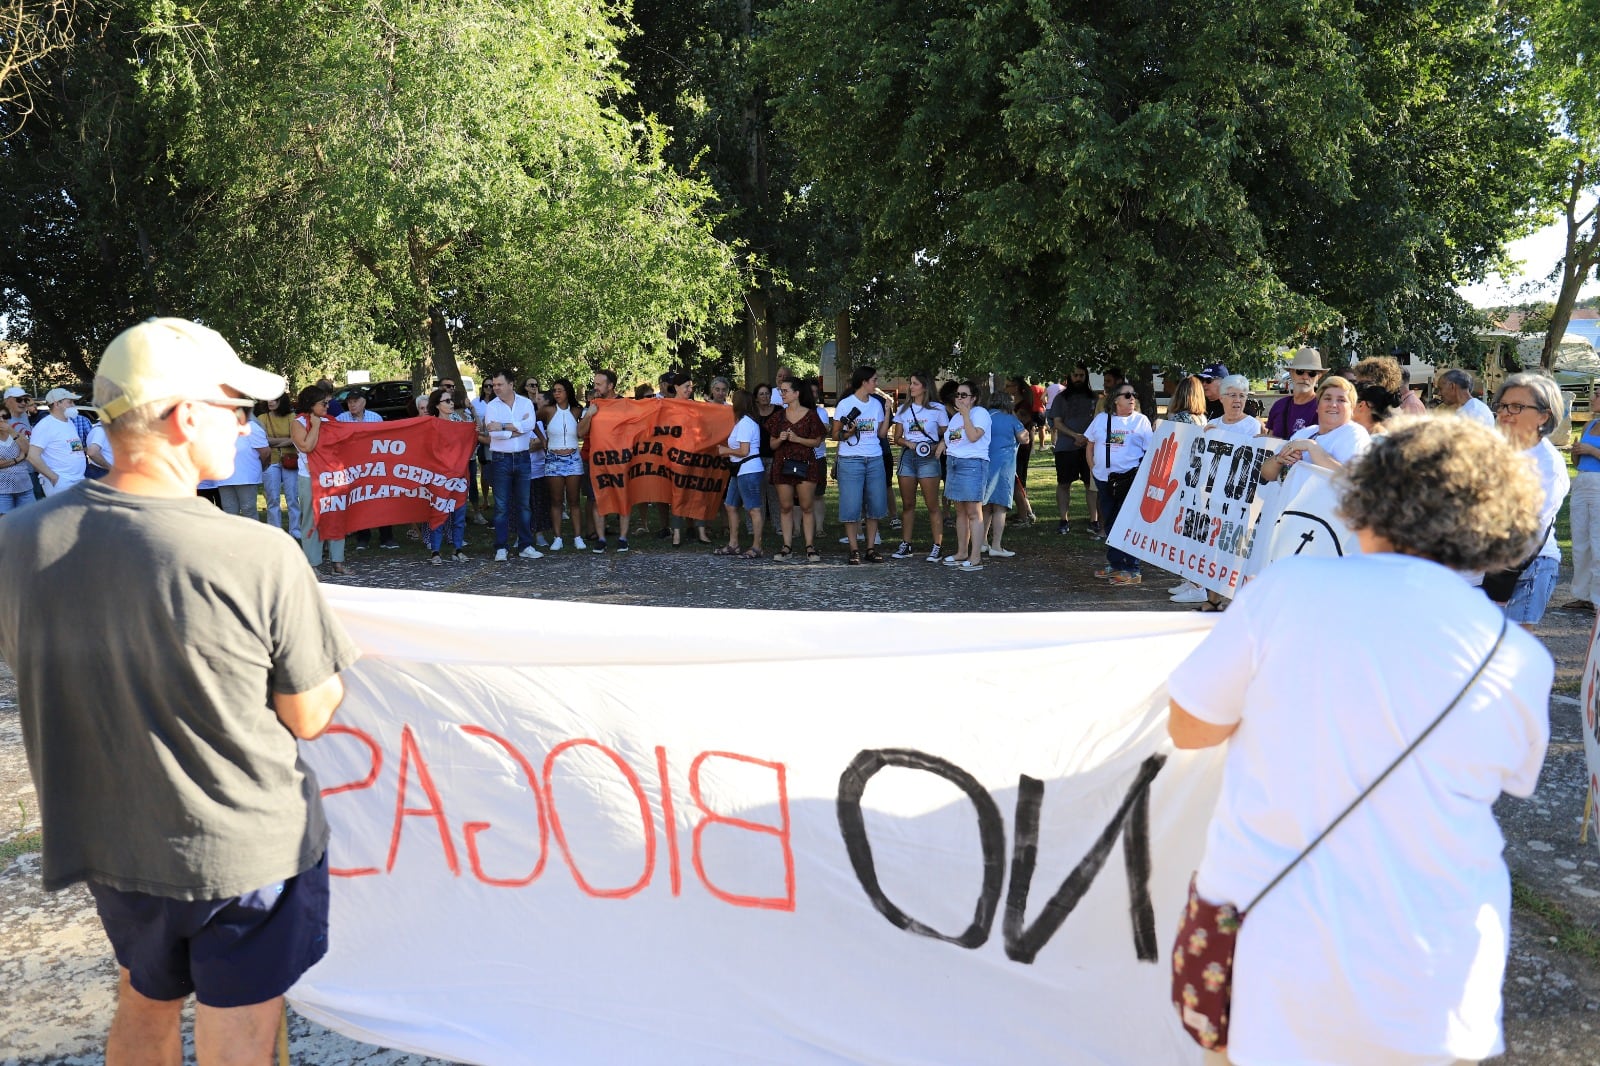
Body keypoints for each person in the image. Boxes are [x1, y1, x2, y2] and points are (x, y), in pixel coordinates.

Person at [0, 317, 357, 1065]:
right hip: (241, 851)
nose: (251, 427)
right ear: (185, 416)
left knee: (144, 997)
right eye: (238, 410)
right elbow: (311, 712)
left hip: (108, 841)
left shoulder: (17, 543)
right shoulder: (258, 551)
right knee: (244, 1027)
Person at [1167, 415, 1552, 1066]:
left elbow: (1190, 727)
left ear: (1365, 498)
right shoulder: (1515, 655)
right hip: (1431, 963)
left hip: (1272, 944)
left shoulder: (1284, 592)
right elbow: (1512, 776)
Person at [1493, 372, 1570, 627]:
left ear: (1543, 416)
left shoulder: (1548, 466)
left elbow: (1525, 532)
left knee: (1509, 653)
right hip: (1485, 564)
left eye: (1517, 407)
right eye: (1503, 405)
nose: (1505, 412)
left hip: (1526, 568)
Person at [1084, 384, 1152, 585]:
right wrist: (1094, 469)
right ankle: (1115, 564)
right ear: (1115, 400)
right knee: (1110, 523)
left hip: (1129, 480)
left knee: (1128, 523)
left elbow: (1149, 452)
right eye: (1127, 395)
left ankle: (1132, 568)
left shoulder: (1140, 421)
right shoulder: (1101, 419)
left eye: (1134, 395)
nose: (1132, 398)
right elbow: (1089, 445)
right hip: (1104, 480)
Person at [1257, 376, 1371, 488]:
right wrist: (1279, 459)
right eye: (1327, 398)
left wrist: (1311, 447)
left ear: (1352, 409)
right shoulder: (1305, 433)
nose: (1333, 404)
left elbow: (1351, 479)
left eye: (1341, 400)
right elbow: (1266, 474)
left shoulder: (1355, 433)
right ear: (1317, 406)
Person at [889, 370, 948, 561]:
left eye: (914, 383)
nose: (910, 387)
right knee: (907, 504)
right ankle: (906, 544)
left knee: (932, 504)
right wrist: (908, 443)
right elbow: (897, 438)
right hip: (908, 457)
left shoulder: (937, 409)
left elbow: (947, 434)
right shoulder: (904, 410)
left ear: (925, 386)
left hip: (929, 458)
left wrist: (937, 446)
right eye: (910, 383)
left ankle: (937, 545)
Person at [834, 366, 891, 564]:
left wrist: (887, 411)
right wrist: (849, 433)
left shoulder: (876, 404)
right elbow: (835, 435)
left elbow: (882, 434)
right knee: (851, 505)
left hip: (874, 458)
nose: (877, 384)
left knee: (875, 504)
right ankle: (853, 549)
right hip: (851, 459)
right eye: (874, 380)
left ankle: (870, 548)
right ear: (864, 382)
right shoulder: (845, 404)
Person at [486, 369, 544, 561]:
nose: (495, 388)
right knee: (501, 506)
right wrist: (518, 429)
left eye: (499, 384)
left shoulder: (526, 402)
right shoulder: (492, 406)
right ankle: (501, 547)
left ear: (511, 385)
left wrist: (504, 426)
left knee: (523, 504)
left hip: (522, 458)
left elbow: (530, 425)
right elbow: (494, 435)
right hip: (501, 459)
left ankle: (525, 545)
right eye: (494, 385)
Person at [767, 378, 826, 562]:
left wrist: (797, 439)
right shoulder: (778, 416)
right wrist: (781, 439)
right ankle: (787, 545)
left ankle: (809, 546)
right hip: (782, 464)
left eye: (785, 391)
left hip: (806, 464)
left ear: (796, 393)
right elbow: (772, 444)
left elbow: (817, 441)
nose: (782, 394)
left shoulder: (811, 415)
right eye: (781, 391)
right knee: (785, 506)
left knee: (806, 506)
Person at [936, 380, 990, 572]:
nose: (959, 398)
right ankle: (961, 552)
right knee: (960, 511)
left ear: (973, 398)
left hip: (973, 465)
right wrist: (943, 443)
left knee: (974, 512)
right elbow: (954, 437)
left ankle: (975, 557)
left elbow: (974, 436)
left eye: (964, 395)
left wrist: (966, 415)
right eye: (957, 395)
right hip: (955, 464)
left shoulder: (980, 413)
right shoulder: (956, 417)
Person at [291, 385, 346, 575]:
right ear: (310, 404)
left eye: (328, 402)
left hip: (332, 478)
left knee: (336, 517)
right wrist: (315, 426)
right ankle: (312, 565)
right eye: (324, 403)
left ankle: (337, 563)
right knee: (312, 519)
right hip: (310, 478)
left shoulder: (330, 421)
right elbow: (306, 446)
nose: (328, 406)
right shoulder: (298, 423)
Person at [336, 388, 397, 550]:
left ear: (364, 402)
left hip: (375, 466)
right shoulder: (341, 419)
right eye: (349, 402)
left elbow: (383, 442)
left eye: (355, 401)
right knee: (359, 500)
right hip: (353, 468)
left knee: (381, 498)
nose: (352, 404)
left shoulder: (375, 418)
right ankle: (363, 537)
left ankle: (386, 537)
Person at [581, 369, 630, 553]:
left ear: (611, 386)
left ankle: (623, 538)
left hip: (620, 460)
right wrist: (589, 415)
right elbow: (580, 432)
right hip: (598, 461)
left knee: (623, 498)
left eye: (599, 384)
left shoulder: (624, 404)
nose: (596, 387)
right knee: (597, 499)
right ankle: (601, 539)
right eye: (595, 383)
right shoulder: (593, 404)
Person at [714, 389, 766, 558]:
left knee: (753, 509)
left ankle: (757, 546)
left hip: (748, 469)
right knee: (730, 505)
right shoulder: (742, 422)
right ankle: (733, 544)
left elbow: (744, 450)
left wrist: (725, 450)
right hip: (740, 470)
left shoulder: (745, 423)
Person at [1048, 366, 1099, 536]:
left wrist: (1086, 437)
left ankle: (1094, 520)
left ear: (1086, 377)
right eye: (1075, 375)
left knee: (1091, 485)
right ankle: (1064, 520)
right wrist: (1075, 435)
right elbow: (1057, 422)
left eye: (1081, 375)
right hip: (1065, 447)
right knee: (1063, 484)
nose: (1078, 378)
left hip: (1090, 447)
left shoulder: (1095, 398)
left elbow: (1099, 421)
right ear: (1069, 377)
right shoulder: (1061, 398)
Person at [424, 388, 471, 564]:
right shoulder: (430, 425)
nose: (451, 404)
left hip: (459, 475)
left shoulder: (459, 423)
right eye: (447, 401)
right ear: (437, 405)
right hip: (439, 476)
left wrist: (472, 410)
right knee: (438, 512)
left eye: (451, 401)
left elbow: (474, 436)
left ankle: (457, 548)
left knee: (459, 513)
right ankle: (435, 551)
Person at [982, 391, 1029, 558]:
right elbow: (1024, 439)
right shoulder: (1011, 419)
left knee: (985, 506)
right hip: (1004, 466)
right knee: (1000, 506)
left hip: (984, 464)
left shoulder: (984, 417)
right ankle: (996, 545)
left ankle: (982, 542)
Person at [26, 388, 88, 496]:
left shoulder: (69, 422)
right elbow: (32, 456)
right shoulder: (45, 425)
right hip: (61, 482)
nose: (73, 405)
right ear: (56, 404)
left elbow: (74, 447)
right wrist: (55, 478)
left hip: (77, 479)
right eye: (69, 402)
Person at [1568, 407, 1600, 612]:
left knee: (1598, 540)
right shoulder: (1590, 424)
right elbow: (1576, 462)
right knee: (1580, 540)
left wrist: (1592, 451)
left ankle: (1598, 599)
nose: (1593, 398)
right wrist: (1576, 452)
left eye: (1598, 394)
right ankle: (1582, 595)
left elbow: (1592, 454)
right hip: (1582, 481)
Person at [214, 408, 269, 519]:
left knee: (248, 510)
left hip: (246, 477)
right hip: (224, 478)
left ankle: (251, 536)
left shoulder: (252, 427)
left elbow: (265, 452)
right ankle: (232, 536)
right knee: (229, 513)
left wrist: (261, 467)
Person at [259, 394, 300, 538]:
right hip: (270, 460)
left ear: (281, 400)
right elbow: (263, 440)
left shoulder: (292, 417)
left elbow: (295, 439)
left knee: (292, 497)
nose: (270, 401)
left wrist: (275, 443)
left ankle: (295, 531)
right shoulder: (262, 418)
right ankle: (275, 531)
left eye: (274, 399)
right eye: (268, 398)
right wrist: (286, 441)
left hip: (290, 460)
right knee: (272, 498)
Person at [1265, 347, 1322, 439]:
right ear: (1291, 373)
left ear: (1318, 377)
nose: (1305, 377)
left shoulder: (1323, 408)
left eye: (1312, 373)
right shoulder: (1279, 405)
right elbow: (1269, 439)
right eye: (1300, 371)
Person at [1006, 376, 1039, 525]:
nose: (1006, 389)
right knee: (1016, 479)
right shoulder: (1016, 404)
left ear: (1017, 388)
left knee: (1017, 480)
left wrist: (1009, 410)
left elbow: (1018, 422)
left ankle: (1023, 516)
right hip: (1015, 445)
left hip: (1022, 446)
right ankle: (1027, 512)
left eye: (1009, 386)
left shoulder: (1023, 405)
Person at [0, 415, 34, 514]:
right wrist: (18, 458)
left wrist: (12, 431)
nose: (2, 420)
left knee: (28, 521)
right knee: (5, 525)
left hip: (25, 487)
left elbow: (29, 452)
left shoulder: (18, 435)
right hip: (2, 491)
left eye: (4, 417)